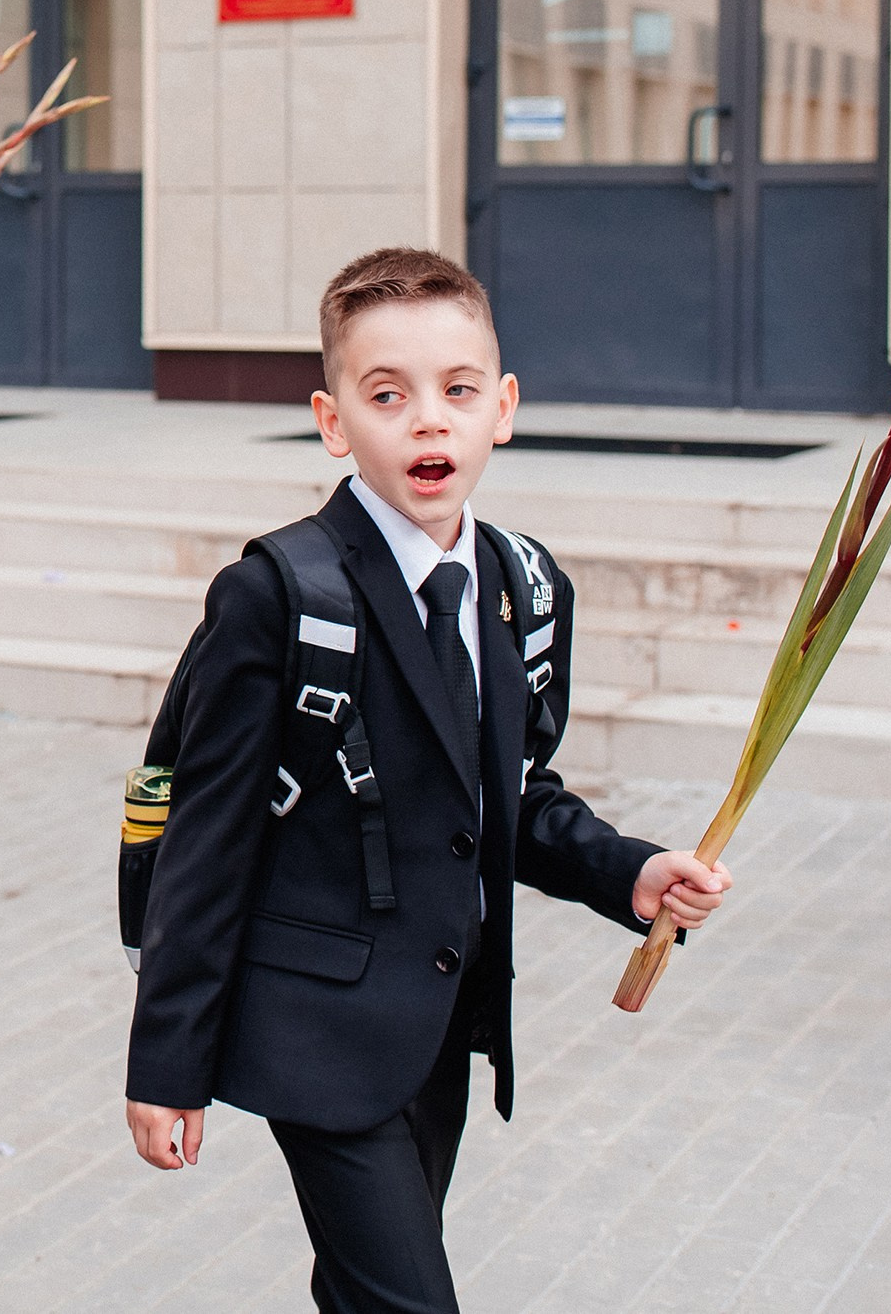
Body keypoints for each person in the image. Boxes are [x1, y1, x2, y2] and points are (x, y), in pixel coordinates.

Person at [123, 247, 734, 1314]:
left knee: (367, 1292)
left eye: (456, 392)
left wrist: (628, 874)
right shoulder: (277, 594)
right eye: (387, 395)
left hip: (441, 1024)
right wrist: (165, 1064)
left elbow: (513, 795)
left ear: (502, 408)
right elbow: (205, 845)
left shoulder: (523, 585)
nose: (427, 422)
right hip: (312, 1027)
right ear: (331, 420)